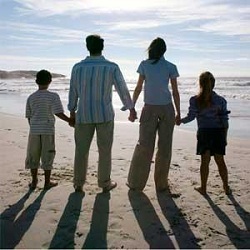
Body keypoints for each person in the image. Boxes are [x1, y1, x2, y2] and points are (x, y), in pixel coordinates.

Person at [68, 34, 136, 193]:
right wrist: (131, 108)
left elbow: (73, 91)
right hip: (104, 115)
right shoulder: (111, 67)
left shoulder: (77, 67)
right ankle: (104, 183)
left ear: (87, 47)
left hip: (83, 115)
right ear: (102, 47)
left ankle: (78, 183)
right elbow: (122, 89)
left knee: (81, 150)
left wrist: (72, 111)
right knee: (105, 150)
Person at [127, 37, 180, 192]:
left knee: (144, 146)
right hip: (167, 109)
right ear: (164, 50)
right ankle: (161, 184)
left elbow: (138, 88)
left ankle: (136, 183)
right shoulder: (170, 66)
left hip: (149, 108)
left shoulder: (144, 65)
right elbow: (175, 92)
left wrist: (132, 107)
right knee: (165, 147)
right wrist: (178, 112)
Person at [179, 71, 231, 195]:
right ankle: (226, 187)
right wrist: (225, 137)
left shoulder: (195, 100)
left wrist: (180, 121)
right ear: (213, 84)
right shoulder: (221, 100)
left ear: (200, 84)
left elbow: (191, 117)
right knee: (220, 161)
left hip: (204, 133)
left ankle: (203, 188)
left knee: (205, 162)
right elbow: (225, 122)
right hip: (218, 133)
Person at [25, 69, 71, 190]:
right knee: (48, 154)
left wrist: (34, 126)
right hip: (48, 130)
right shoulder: (53, 96)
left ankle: (34, 181)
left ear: (36, 82)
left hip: (34, 130)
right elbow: (58, 112)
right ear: (50, 81)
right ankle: (47, 182)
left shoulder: (31, 97)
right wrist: (70, 121)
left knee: (33, 155)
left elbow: (29, 116)